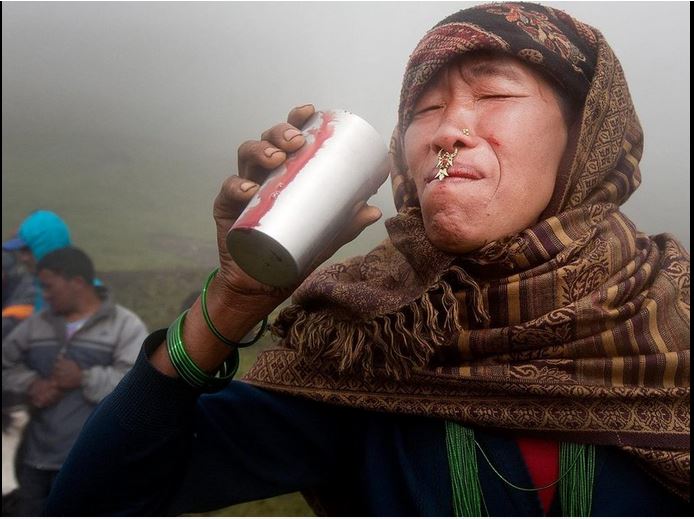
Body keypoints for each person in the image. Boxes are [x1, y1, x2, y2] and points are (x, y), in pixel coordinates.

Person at [46, 3, 688, 516]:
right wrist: (234, 300)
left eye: (493, 96)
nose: (446, 130)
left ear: (586, 136)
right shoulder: (361, 340)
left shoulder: (675, 314)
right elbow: (95, 503)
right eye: (426, 109)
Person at [2, 246, 148, 516]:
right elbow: (5, 364)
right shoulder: (36, 325)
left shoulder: (124, 326)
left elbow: (138, 386)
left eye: (48, 287)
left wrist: (84, 378)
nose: (43, 295)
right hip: (36, 462)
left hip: (92, 462)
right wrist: (32, 384)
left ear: (77, 283)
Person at [2, 210, 72, 312]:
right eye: (21, 250)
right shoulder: (38, 283)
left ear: (46, 249)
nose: (23, 258)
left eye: (28, 250)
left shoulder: (74, 294)